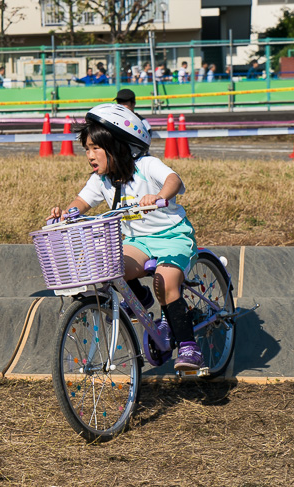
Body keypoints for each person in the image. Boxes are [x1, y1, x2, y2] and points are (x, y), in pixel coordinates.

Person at [47, 104, 201, 371]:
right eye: (86, 149)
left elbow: (173, 179)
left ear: (119, 146)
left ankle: (188, 346)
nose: (90, 155)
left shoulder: (146, 165)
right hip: (137, 243)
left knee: (165, 282)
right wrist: (67, 214)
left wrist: (160, 196)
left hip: (172, 237)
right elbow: (81, 202)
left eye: (96, 148)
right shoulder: (101, 179)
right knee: (109, 268)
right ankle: (140, 299)